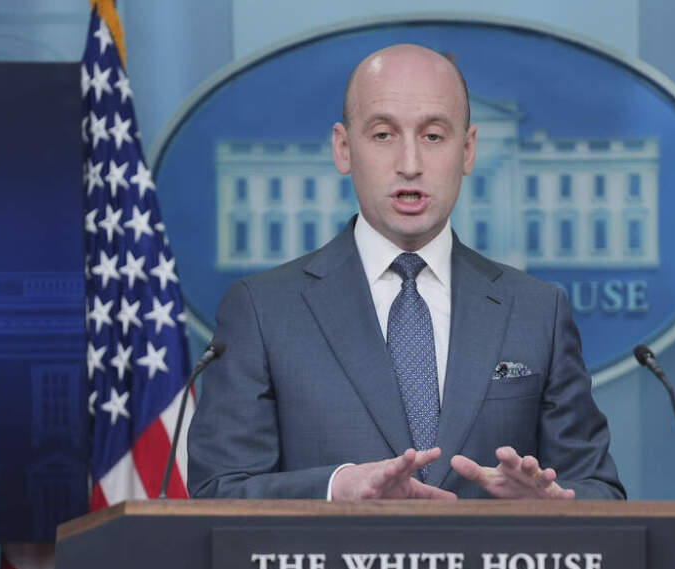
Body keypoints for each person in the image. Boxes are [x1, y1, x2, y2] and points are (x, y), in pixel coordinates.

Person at [187, 44, 625, 501]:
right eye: (383, 135)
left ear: (468, 150)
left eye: (434, 136)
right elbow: (218, 491)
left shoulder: (538, 311)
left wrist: (550, 508)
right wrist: (335, 489)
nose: (410, 164)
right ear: (343, 148)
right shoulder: (262, 311)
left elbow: (601, 491)